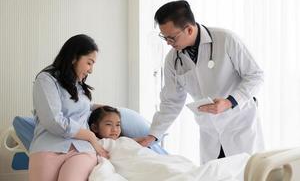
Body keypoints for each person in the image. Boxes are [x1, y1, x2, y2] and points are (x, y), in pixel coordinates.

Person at [136, 0, 265, 164]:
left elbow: (255, 75)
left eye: (171, 37)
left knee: (246, 173)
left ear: (189, 29)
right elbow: (171, 102)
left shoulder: (226, 40)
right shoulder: (172, 60)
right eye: (164, 37)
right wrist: (153, 135)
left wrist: (229, 102)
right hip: (210, 133)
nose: (168, 42)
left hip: (240, 126)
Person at [87, 105, 249, 181]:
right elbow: (101, 159)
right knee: (172, 173)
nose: (115, 129)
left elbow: (140, 141)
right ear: (95, 127)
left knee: (178, 166)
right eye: (109, 124)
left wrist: (149, 138)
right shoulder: (102, 143)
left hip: (151, 160)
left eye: (118, 125)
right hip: (142, 168)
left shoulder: (124, 139)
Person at [29, 34, 109, 181]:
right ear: (74, 58)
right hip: (49, 147)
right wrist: (90, 136)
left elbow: (77, 107)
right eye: (89, 63)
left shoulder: (79, 85)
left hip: (81, 149)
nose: (91, 70)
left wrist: (102, 108)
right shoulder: (46, 80)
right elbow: (53, 120)